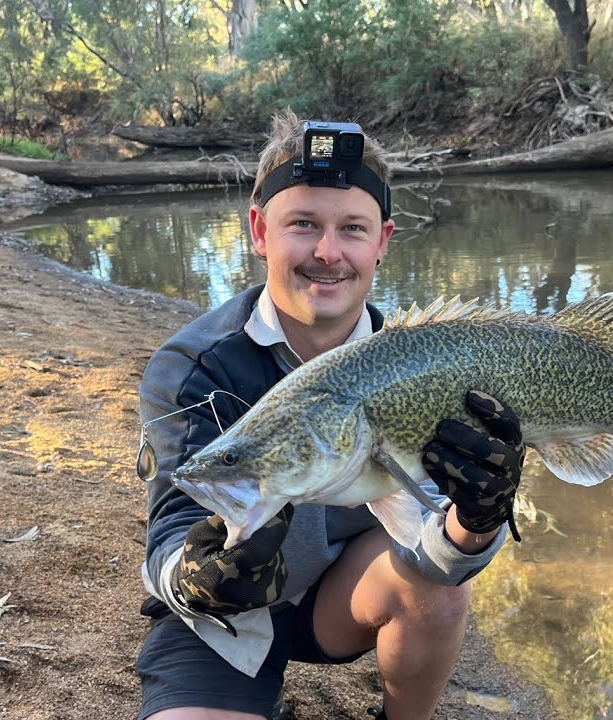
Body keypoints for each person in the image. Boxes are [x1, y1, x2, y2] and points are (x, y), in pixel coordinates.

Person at [135, 112, 525, 720]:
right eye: (303, 225)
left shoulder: (427, 366)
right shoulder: (190, 367)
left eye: (352, 228)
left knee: (442, 595)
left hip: (341, 604)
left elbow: (435, 552)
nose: (327, 252)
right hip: (218, 626)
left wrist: (476, 520)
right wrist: (196, 578)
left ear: (383, 240)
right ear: (260, 231)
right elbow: (167, 534)